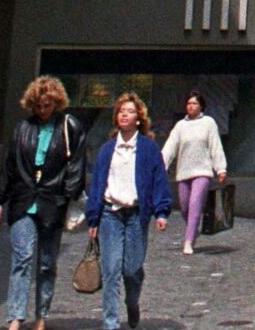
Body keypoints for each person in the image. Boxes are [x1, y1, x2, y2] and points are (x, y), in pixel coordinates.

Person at [0, 75, 86, 330]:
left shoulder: (69, 126)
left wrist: (67, 195)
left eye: (47, 105)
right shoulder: (23, 128)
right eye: (38, 106)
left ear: (56, 103)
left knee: (46, 263)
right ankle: (15, 318)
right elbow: (9, 165)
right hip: (24, 201)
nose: (42, 110)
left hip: (51, 202)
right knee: (22, 257)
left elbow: (76, 165)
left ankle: (41, 315)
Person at [86, 92, 173, 330]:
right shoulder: (107, 149)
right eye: (121, 111)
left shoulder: (148, 148)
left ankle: (132, 302)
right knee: (111, 270)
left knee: (131, 269)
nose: (124, 114)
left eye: (130, 111)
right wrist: (92, 218)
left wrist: (162, 211)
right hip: (109, 215)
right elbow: (97, 184)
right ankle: (111, 323)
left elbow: (159, 181)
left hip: (136, 214)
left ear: (139, 119)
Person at [162, 91, 227, 254]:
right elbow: (170, 146)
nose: (191, 106)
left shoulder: (209, 123)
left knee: (195, 204)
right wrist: (161, 166)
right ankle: (193, 229)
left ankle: (188, 240)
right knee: (184, 207)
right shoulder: (180, 126)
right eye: (189, 103)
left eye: (194, 103)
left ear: (201, 106)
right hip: (184, 172)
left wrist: (220, 168)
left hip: (202, 171)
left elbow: (215, 145)